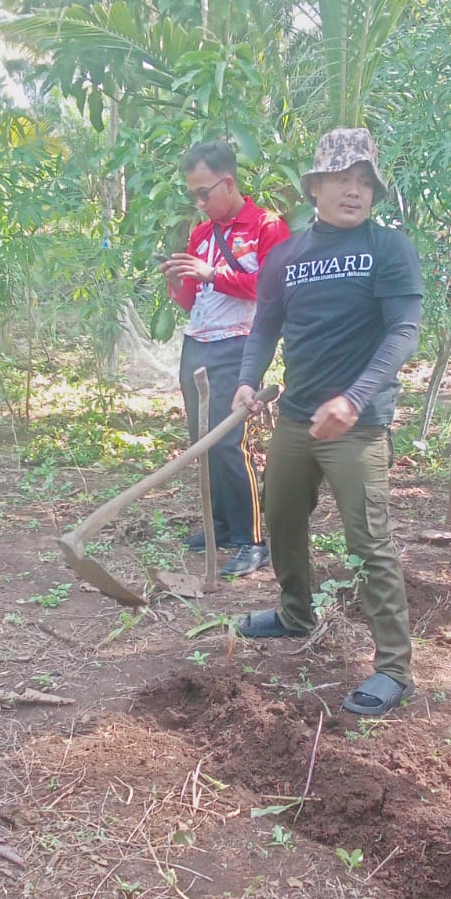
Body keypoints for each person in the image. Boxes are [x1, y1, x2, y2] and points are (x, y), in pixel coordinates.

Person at [231, 127, 423, 715]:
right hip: (295, 417)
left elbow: (403, 332)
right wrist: (246, 378)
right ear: (315, 187)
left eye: (364, 181)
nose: (354, 190)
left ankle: (393, 668)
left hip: (357, 424)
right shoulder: (285, 257)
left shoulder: (389, 249)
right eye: (343, 178)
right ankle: (295, 613)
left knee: (369, 540)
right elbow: (264, 326)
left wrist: (357, 398)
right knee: (283, 516)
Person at [160, 140, 290, 577]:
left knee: (228, 441)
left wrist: (213, 272)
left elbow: (273, 292)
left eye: (203, 192)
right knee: (201, 439)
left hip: (238, 345)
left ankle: (251, 538)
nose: (198, 201)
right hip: (196, 342)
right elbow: (190, 300)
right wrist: (177, 280)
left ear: (228, 182)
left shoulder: (266, 226)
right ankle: (219, 523)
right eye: (192, 194)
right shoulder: (201, 233)